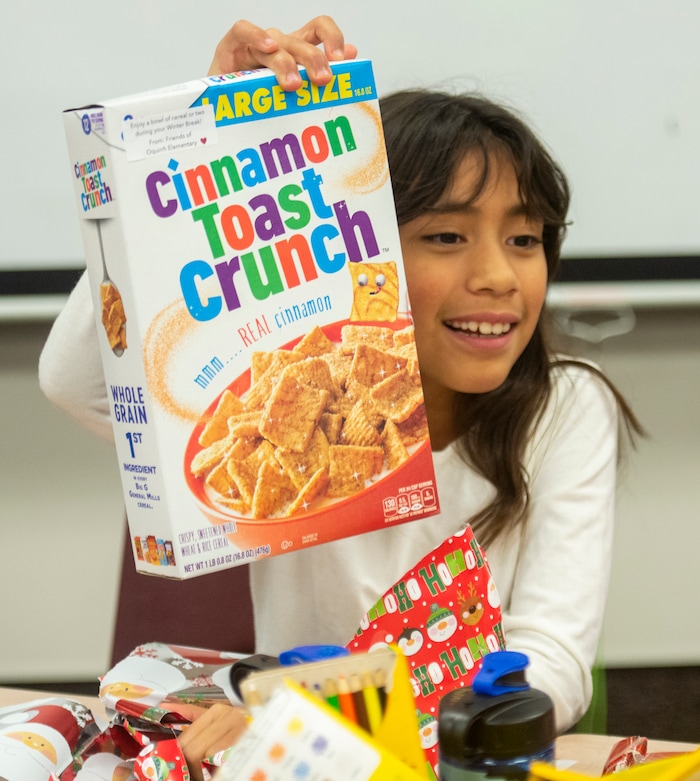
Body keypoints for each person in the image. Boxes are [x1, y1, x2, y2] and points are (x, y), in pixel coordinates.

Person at [39, 15, 643, 777]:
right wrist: (210, 136)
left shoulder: (563, 409)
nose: (498, 274)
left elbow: (548, 665)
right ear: (368, 254)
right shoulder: (304, 404)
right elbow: (74, 381)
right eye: (448, 237)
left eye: (525, 239)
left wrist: (314, 711)